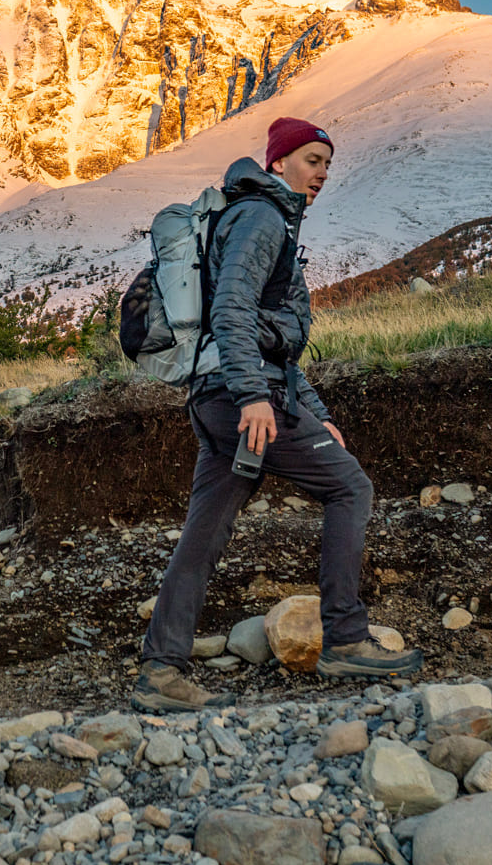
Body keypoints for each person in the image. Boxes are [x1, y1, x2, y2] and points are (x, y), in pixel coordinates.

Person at [134, 117, 425, 713]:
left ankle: (162, 670)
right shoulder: (262, 217)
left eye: (327, 164)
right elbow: (233, 312)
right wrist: (255, 397)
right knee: (350, 488)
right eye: (312, 160)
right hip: (242, 398)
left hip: (219, 396)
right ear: (279, 162)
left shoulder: (258, 216)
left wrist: (312, 408)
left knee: (205, 532)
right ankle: (345, 639)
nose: (321, 174)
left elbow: (275, 340)